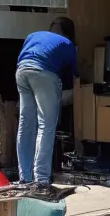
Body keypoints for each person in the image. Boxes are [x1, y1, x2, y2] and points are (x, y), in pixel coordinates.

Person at [16, 17, 77, 196]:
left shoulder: (34, 35)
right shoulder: (68, 44)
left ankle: (24, 177)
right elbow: (72, 77)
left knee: (26, 125)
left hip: (21, 71)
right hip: (43, 73)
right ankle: (41, 180)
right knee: (46, 126)